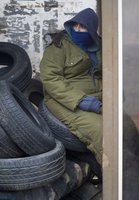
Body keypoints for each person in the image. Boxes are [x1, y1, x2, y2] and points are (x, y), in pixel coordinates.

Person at [39, 8, 103, 165]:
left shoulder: (100, 45)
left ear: (92, 29)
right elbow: (50, 78)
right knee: (101, 130)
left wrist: (114, 92)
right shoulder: (59, 46)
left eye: (83, 27)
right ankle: (115, 178)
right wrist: (82, 101)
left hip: (98, 98)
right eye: (76, 25)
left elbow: (107, 72)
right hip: (65, 100)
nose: (78, 29)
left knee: (125, 125)